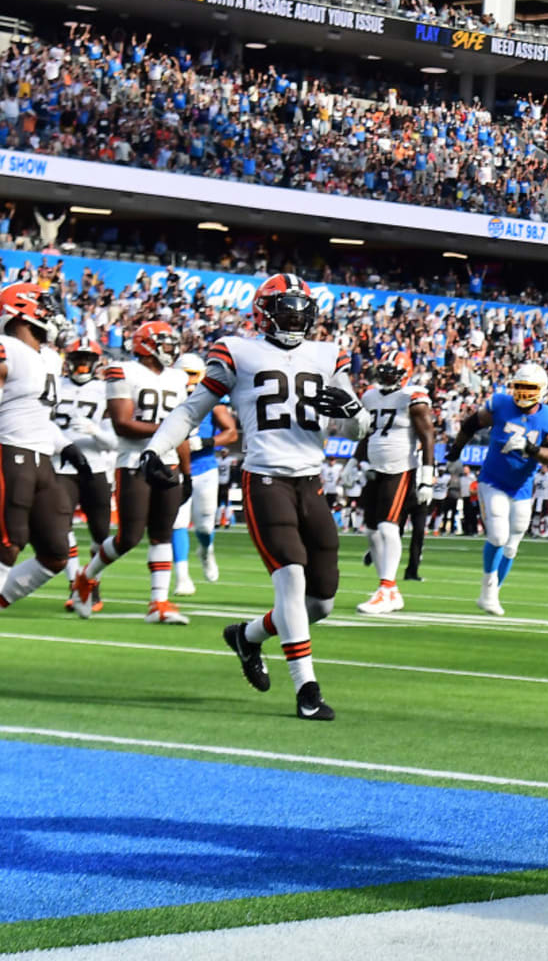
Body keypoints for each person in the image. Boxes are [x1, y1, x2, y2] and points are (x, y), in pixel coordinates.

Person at [141, 274, 370, 721]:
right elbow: (193, 409)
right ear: (264, 313)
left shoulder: (327, 353)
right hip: (265, 479)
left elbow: (359, 428)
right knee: (291, 578)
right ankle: (307, 690)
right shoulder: (237, 350)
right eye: (286, 310)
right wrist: (157, 447)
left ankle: (247, 636)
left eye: (301, 311)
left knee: (321, 601)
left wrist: (352, 413)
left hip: (312, 481)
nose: (295, 319)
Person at [0, 284, 89, 667]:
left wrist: (65, 446)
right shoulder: (1, 346)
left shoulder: (48, 357)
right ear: (20, 310)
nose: (52, 311)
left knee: (56, 555)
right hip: (6, 451)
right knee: (9, 543)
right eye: (43, 304)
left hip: (41, 457)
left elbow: (36, 416)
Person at [70, 320, 191, 625]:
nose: (170, 348)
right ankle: (86, 576)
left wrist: (187, 472)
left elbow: (185, 430)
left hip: (169, 460)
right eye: (163, 342)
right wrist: (170, 430)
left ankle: (158, 602)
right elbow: (124, 423)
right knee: (129, 537)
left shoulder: (177, 377)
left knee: (162, 534)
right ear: (146, 345)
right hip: (134, 460)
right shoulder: (123, 371)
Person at [446, 363, 548, 615]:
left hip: (522, 486)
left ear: (541, 390)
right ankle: (488, 590)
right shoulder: (500, 404)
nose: (522, 392)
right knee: (498, 536)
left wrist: (531, 449)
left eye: (528, 388)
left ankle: (492, 594)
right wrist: (456, 449)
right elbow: (471, 424)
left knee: (512, 544)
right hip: (493, 480)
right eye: (519, 386)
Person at [356, 350, 435, 613]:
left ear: (404, 374)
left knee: (388, 527)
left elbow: (427, 437)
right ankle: (387, 589)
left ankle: (387, 587)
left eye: (393, 372)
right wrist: (353, 462)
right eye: (385, 371)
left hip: (400, 467)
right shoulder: (369, 396)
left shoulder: (413, 397)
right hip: (374, 468)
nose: (387, 376)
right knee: (371, 531)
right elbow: (366, 433)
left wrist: (426, 475)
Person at [52, 337, 116, 612]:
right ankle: (73, 583)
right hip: (60, 466)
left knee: (100, 533)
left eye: (86, 360)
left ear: (96, 362)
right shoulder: (55, 386)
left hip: (94, 466)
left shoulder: (105, 391)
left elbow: (114, 442)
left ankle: (91, 583)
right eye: (77, 359)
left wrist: (95, 432)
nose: (81, 365)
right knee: (61, 527)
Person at [170, 353, 238, 595]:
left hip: (204, 467)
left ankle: (206, 550)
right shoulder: (168, 395)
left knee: (206, 524)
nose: (188, 380)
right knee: (177, 522)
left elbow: (231, 433)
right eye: (185, 373)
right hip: (175, 468)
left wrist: (206, 442)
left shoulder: (212, 399)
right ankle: (182, 577)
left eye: (192, 374)